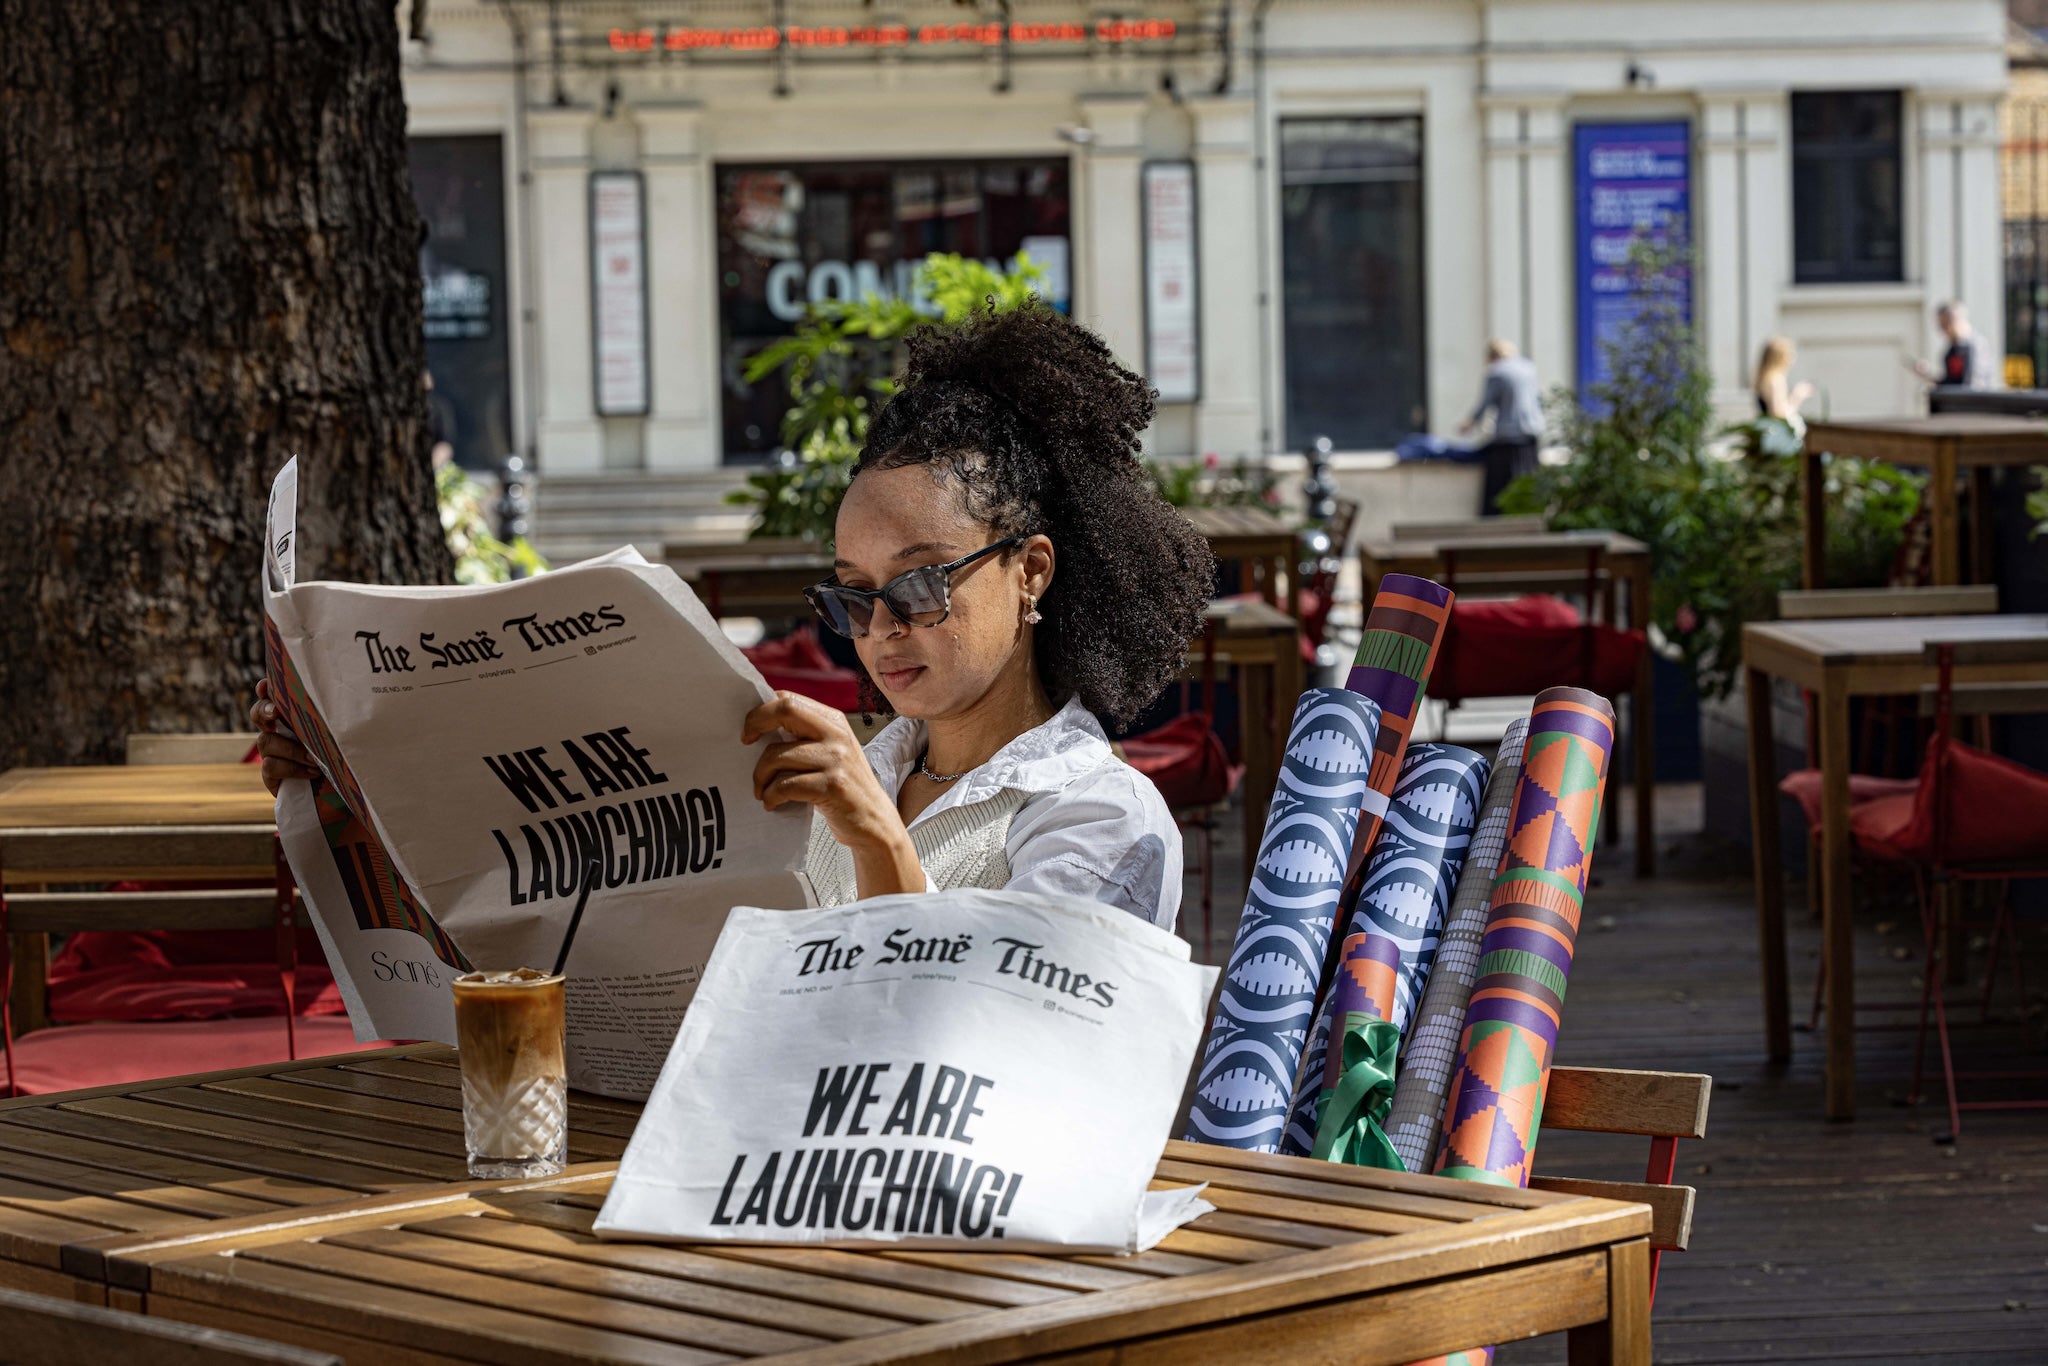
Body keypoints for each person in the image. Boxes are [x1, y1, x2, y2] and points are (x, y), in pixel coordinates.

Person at [255, 305, 1215, 930]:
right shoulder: (858, 770)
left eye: (921, 584)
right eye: (854, 593)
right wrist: (357, 792)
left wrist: (877, 840)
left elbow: (986, 1050)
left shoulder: (1096, 818)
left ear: (1030, 571)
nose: (883, 628)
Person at [1459, 338, 1544, 514]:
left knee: (1499, 486)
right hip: (1531, 433)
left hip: (1508, 436)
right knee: (1530, 481)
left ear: (1492, 356)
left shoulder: (1497, 372)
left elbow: (1485, 403)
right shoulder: (1529, 368)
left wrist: (1470, 423)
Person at [1912, 301, 1996, 390]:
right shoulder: (1952, 349)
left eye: (1944, 325)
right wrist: (1927, 374)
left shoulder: (1976, 347)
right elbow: (1950, 384)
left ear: (1956, 321)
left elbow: (1972, 386)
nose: (1942, 331)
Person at [1753, 336, 1814, 425]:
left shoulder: (1763, 379)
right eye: (1789, 354)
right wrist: (1797, 396)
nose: (1792, 359)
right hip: (1776, 432)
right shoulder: (1776, 379)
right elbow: (1778, 414)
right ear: (1780, 357)